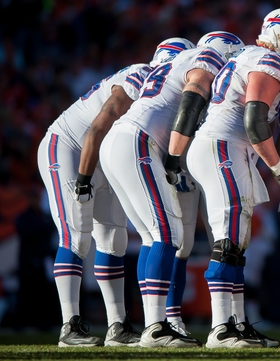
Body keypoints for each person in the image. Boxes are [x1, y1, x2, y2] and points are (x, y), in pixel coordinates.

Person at [184, 8, 280, 349]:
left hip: (222, 148)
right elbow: (255, 120)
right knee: (228, 239)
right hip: (224, 147)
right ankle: (220, 328)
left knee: (236, 239)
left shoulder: (248, 55)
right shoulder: (271, 60)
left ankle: (237, 323)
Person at [36, 41, 171, 347]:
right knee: (76, 235)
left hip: (103, 154)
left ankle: (117, 326)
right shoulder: (140, 77)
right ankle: (69, 326)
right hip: (70, 147)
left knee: (114, 238)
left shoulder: (165, 93)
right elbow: (99, 125)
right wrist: (84, 178)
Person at [98, 36, 224, 348]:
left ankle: (155, 323)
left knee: (154, 238)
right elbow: (193, 99)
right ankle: (156, 327)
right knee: (168, 235)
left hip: (121, 141)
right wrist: (174, 159)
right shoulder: (206, 61)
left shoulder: (170, 67)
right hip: (139, 142)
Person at [164, 31, 245, 338]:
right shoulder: (200, 67)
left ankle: (232, 318)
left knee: (225, 236)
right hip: (185, 157)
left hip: (200, 155)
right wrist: (172, 158)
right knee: (180, 241)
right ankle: (172, 319)